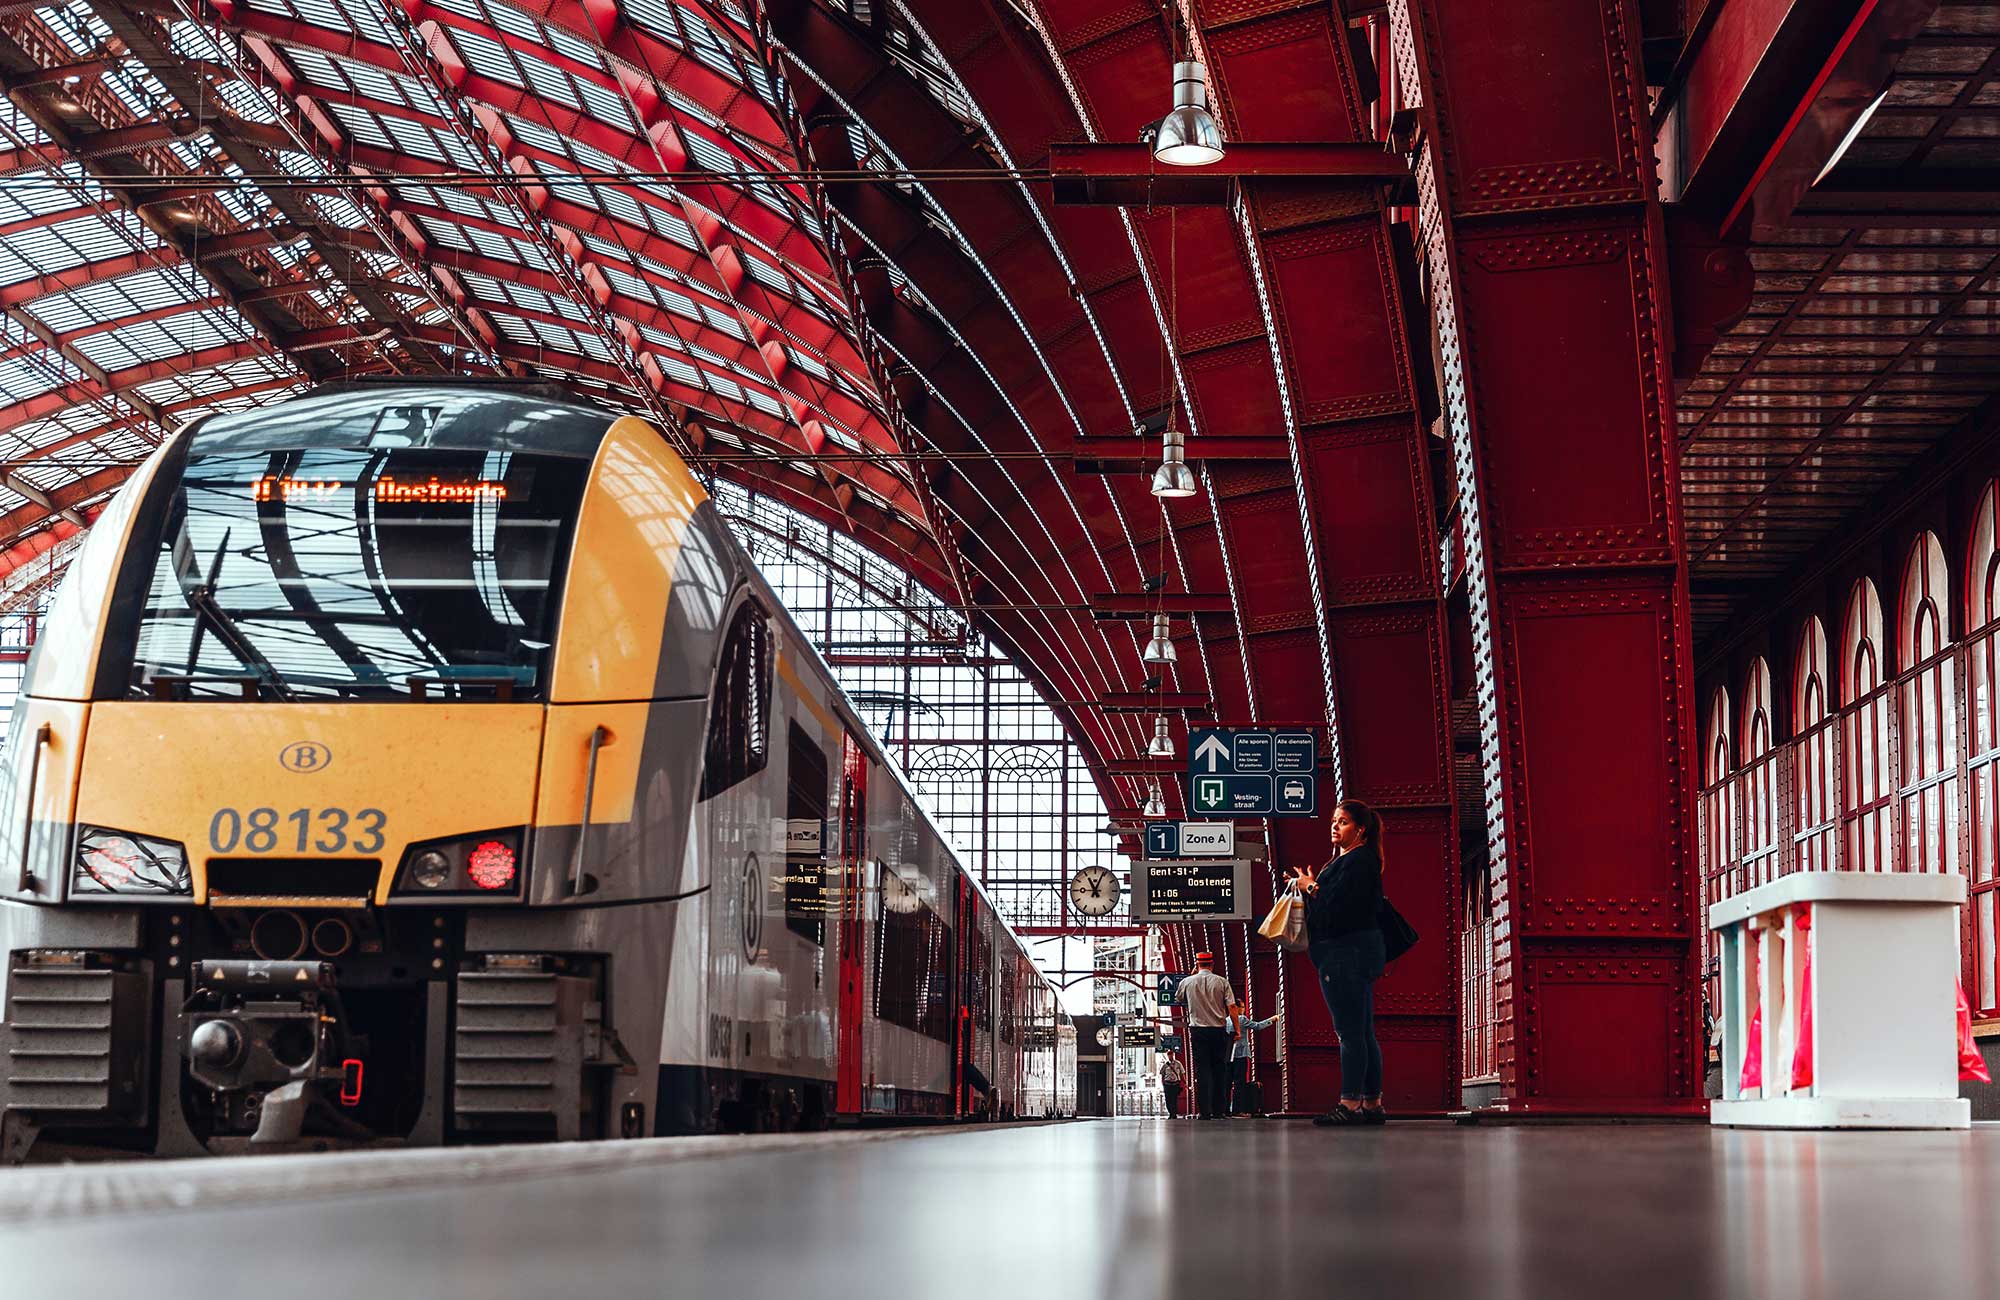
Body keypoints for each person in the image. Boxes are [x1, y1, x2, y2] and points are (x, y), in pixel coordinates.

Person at [1290, 799, 1386, 1127]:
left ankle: (1349, 1102)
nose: (1334, 826)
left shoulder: (1359, 861)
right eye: (1333, 820)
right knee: (1362, 1031)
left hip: (1344, 954)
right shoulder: (1352, 860)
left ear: (1360, 829)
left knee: (1349, 1033)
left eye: (1342, 822)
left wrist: (1311, 886)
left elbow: (1341, 906)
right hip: (1353, 952)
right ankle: (1371, 1103)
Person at [1176, 952, 1238, 1120]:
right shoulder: (1222, 982)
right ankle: (1219, 1111)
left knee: (1202, 1070)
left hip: (1198, 1031)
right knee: (1219, 1069)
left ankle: (1205, 1112)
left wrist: (1190, 976)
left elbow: (1179, 998)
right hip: (1218, 1030)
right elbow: (1232, 1007)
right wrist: (1237, 1029)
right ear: (1212, 964)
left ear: (1197, 965)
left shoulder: (1187, 982)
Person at [1227, 1003, 1280, 1116]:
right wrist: (1272, 1019)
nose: (1244, 1009)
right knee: (1239, 1083)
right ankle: (1237, 1110)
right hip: (1241, 1055)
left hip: (1229, 1055)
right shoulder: (1241, 1019)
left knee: (1226, 1083)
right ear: (1237, 1008)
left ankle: (1226, 1110)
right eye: (1242, 1007)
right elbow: (1258, 1026)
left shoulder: (1226, 1020)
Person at [1159, 1053, 1186, 1118]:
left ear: (1173, 1055)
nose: (1170, 1056)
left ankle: (1173, 1114)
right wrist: (1163, 1083)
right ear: (1167, 1056)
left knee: (1174, 1099)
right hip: (1167, 1084)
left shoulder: (1178, 1063)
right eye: (1169, 1055)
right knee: (1168, 1099)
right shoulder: (1165, 1065)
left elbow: (1182, 1074)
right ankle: (1171, 1112)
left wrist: (1185, 1082)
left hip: (1175, 1084)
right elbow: (1162, 1074)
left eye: (1171, 1055)